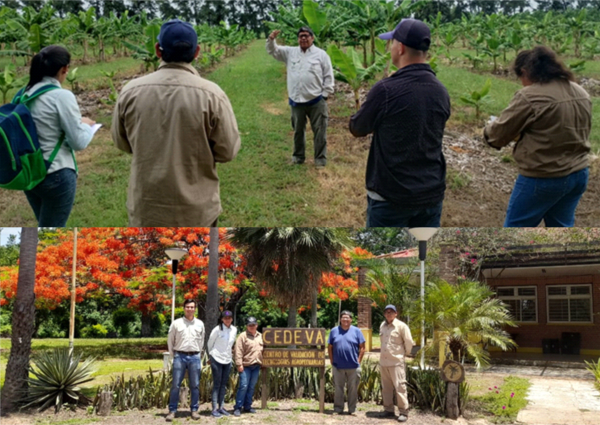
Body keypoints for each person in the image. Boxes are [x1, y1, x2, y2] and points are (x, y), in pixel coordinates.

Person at [112, 19, 241, 226]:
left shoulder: (131, 91)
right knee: (198, 259)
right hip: (197, 211)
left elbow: (122, 142)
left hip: (147, 210)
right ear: (197, 52)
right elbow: (227, 151)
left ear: (158, 50)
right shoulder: (211, 94)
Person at [349, 19, 451, 227]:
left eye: (392, 42)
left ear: (401, 47)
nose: (390, 47)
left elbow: (357, 128)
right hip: (431, 195)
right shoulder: (441, 91)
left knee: (385, 254)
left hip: (391, 198)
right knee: (424, 254)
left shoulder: (386, 90)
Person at [484, 46, 592, 227]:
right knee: (561, 231)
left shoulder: (530, 96)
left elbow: (497, 136)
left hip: (544, 177)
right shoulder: (580, 91)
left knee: (515, 233)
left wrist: (487, 129)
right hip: (578, 173)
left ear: (525, 72)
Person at [21, 45, 96, 226]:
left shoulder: (25, 94)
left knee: (45, 225)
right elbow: (78, 142)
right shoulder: (61, 96)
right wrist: (86, 126)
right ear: (65, 69)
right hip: (56, 174)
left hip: (30, 174)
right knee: (52, 229)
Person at [266, 26, 334, 168]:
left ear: (312, 38)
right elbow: (273, 51)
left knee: (320, 131)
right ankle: (298, 157)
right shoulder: (291, 52)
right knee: (298, 131)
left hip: (316, 100)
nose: (303, 38)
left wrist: (325, 95)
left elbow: (328, 76)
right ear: (298, 39)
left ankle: (320, 160)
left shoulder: (321, 55)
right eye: (301, 36)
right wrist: (271, 39)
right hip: (296, 101)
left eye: (306, 35)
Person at [166, 299, 205, 422]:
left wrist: (198, 354)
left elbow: (201, 341)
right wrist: (174, 355)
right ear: (184, 308)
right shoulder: (176, 323)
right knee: (175, 385)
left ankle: (194, 410)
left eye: (192, 307)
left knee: (195, 385)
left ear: (195, 309)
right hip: (180, 356)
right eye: (187, 307)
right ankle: (172, 411)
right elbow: (170, 340)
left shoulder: (200, 324)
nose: (190, 309)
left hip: (194, 357)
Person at [379, 305, 414, 423]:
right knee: (386, 388)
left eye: (391, 312)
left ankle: (403, 412)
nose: (389, 314)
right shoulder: (382, 326)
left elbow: (408, 342)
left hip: (396, 363)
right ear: (384, 314)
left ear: (396, 313)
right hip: (384, 363)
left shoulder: (402, 326)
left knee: (400, 388)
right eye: (387, 312)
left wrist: (403, 355)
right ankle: (388, 410)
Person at [327, 310, 365, 415]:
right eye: (343, 317)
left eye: (347, 317)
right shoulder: (334, 331)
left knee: (352, 389)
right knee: (338, 388)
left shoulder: (357, 331)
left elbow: (362, 348)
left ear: (351, 319)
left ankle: (352, 409)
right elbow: (330, 347)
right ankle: (338, 409)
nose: (345, 319)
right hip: (338, 366)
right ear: (340, 319)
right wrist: (332, 361)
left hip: (353, 366)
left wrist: (358, 361)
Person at [207, 310, 237, 417]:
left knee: (223, 384)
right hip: (217, 358)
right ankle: (214, 408)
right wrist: (210, 355)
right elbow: (210, 343)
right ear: (222, 319)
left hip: (227, 359)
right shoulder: (217, 329)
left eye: (229, 318)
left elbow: (231, 345)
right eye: (225, 318)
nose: (227, 320)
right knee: (217, 384)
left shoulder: (234, 329)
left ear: (232, 319)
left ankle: (221, 407)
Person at [233, 316, 263, 416]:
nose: (252, 327)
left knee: (251, 387)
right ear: (247, 326)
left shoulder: (261, 336)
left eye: (253, 325)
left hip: (256, 365)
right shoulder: (242, 336)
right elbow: (238, 351)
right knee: (243, 386)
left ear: (256, 325)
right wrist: (239, 364)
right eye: (250, 325)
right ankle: (237, 407)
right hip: (245, 365)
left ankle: (247, 406)